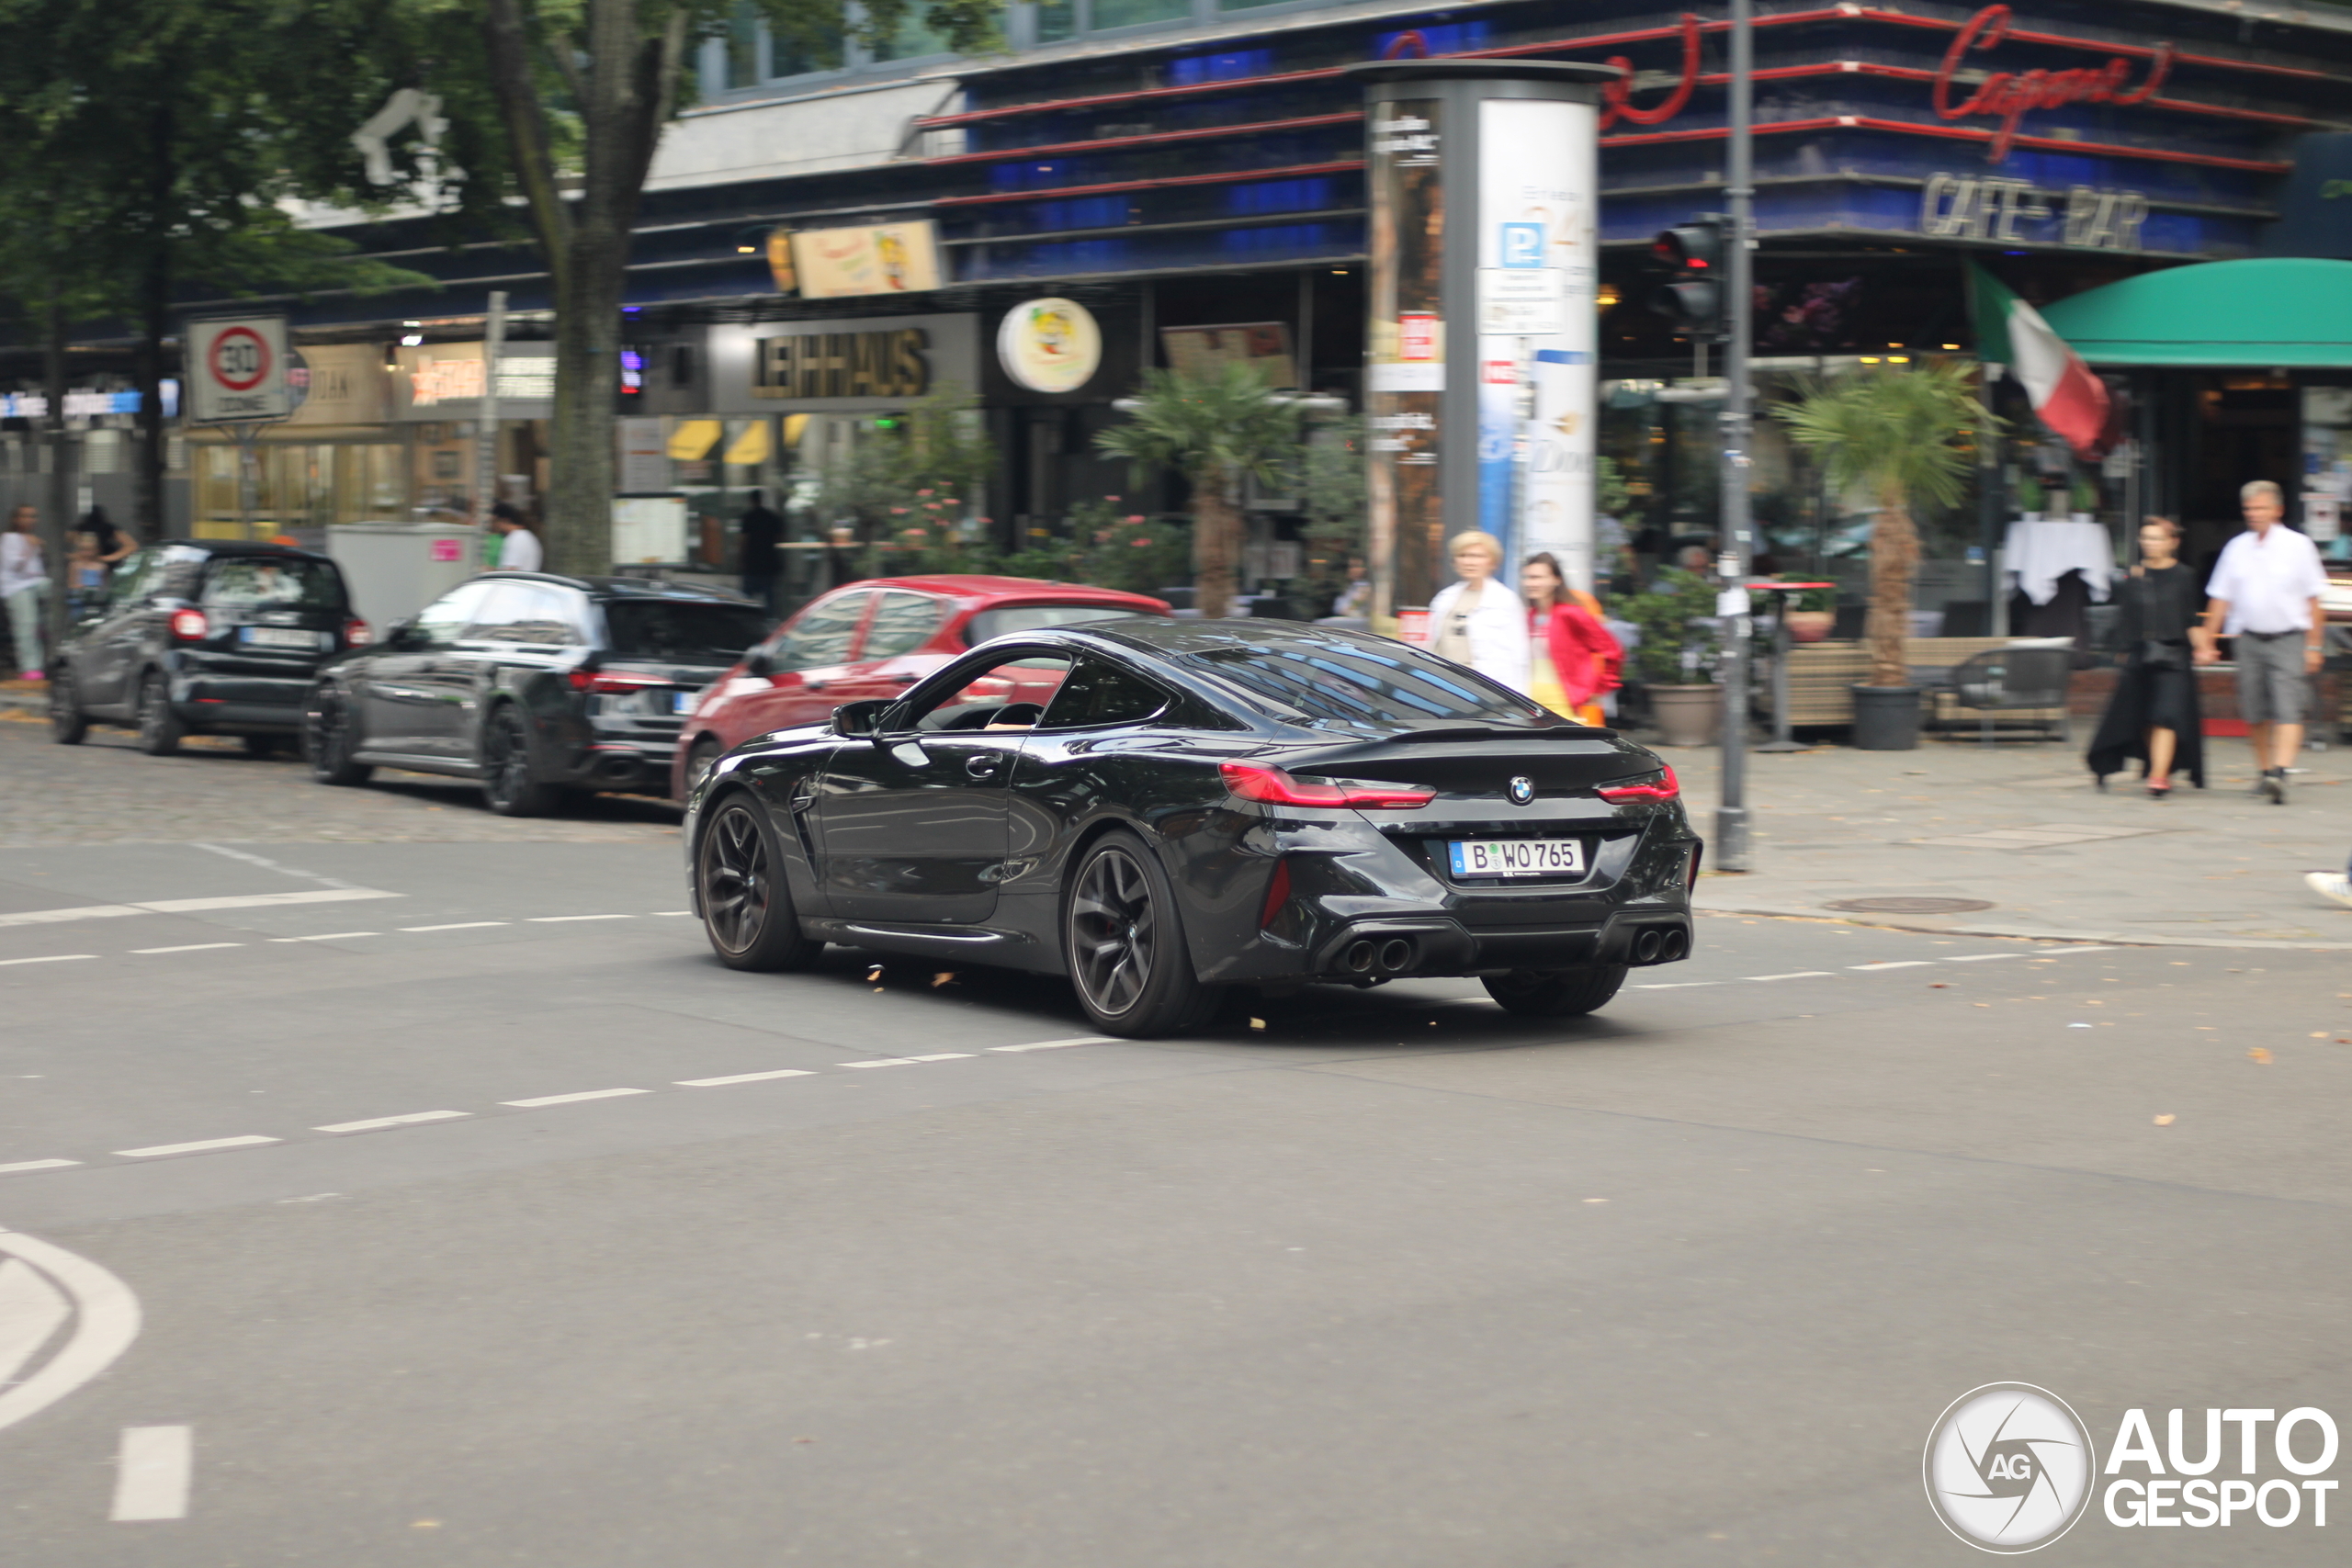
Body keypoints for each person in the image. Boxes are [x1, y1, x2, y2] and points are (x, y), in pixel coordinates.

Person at [2192, 479, 2329, 805]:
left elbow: (2313, 601)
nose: (2253, 514)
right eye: (2249, 509)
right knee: (2255, 710)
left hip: (2289, 638)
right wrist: (2208, 642)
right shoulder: (2236, 548)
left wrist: (2314, 645)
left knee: (2288, 707)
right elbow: (2220, 598)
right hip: (2249, 639)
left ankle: (2280, 773)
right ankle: (2265, 771)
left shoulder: (2299, 546)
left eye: (2261, 508)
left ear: (2277, 509)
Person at [2086, 517, 2204, 796]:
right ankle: (2157, 767)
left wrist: (2203, 647)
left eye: (2157, 538)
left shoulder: (2184, 575)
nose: (2150, 543)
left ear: (2172, 542)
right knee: (2145, 716)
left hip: (2174, 656)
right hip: (2140, 654)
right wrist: (2121, 650)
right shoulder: (2132, 576)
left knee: (2167, 715)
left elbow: (2191, 618)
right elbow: (2125, 617)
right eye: (2146, 538)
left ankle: (2158, 776)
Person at [1521, 551, 1622, 726]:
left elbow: (1612, 651)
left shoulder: (1571, 614)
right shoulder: (1529, 616)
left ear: (1556, 580)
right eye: (1527, 577)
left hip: (1562, 702)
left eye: (1538, 577)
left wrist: (1598, 689)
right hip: (1528, 700)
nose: (1531, 583)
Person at [1426, 530, 1529, 693]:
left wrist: (1518, 696)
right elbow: (1432, 644)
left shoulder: (1505, 600)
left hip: (1484, 689)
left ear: (1492, 562)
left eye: (1477, 556)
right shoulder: (1444, 598)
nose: (1469, 562)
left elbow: (1519, 655)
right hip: (1445, 686)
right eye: (1463, 555)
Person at [2, 504, 49, 681]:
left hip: (36, 583)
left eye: (33, 516)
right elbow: (15, 567)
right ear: (16, 519)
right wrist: (30, 548)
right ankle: (30, 668)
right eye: (25, 516)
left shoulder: (34, 539)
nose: (30, 520)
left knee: (54, 594)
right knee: (27, 624)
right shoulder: (9, 538)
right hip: (17, 586)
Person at [737, 489, 785, 617]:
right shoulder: (772, 517)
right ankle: (769, 621)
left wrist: (741, 560)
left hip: (752, 563)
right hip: (768, 563)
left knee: (746, 599)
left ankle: (746, 620)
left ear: (751, 500)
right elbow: (779, 539)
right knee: (770, 598)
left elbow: (743, 540)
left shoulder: (748, 517)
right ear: (762, 499)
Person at [490, 503, 543, 572]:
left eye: (494, 521)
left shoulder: (517, 538)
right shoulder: (524, 536)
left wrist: (487, 571)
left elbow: (511, 570)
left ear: (504, 520)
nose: (492, 525)